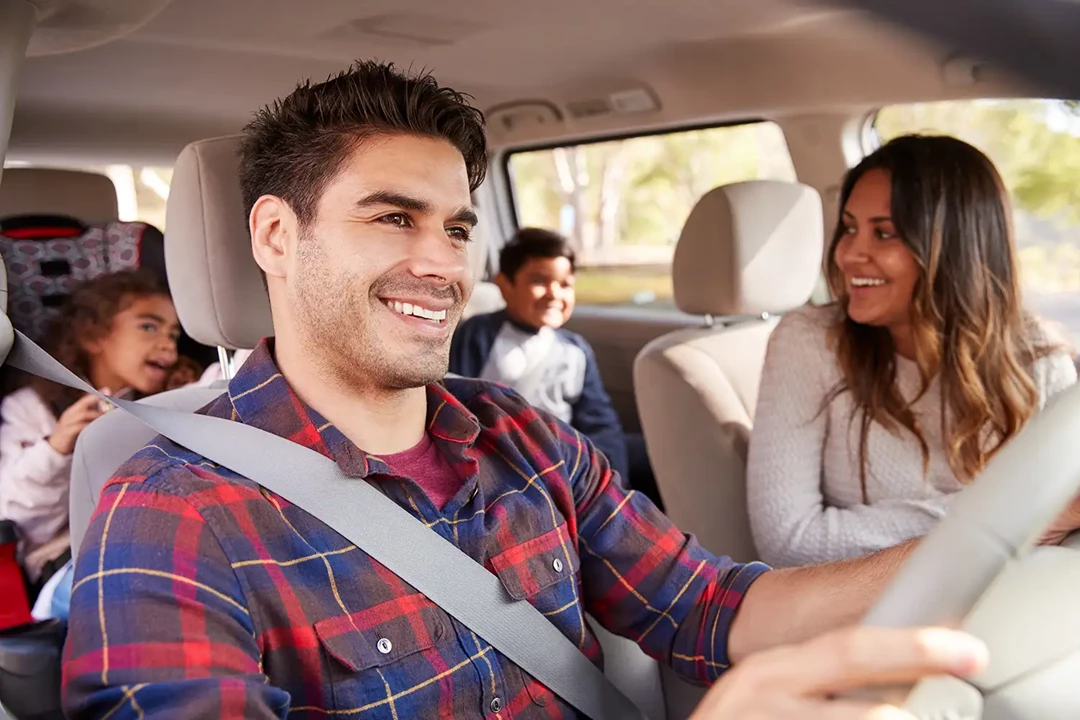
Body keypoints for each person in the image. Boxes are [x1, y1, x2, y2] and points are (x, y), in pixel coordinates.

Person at [60, 63, 1080, 720]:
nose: (442, 264)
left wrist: (991, 533)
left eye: (458, 227)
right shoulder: (171, 519)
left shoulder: (523, 439)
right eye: (392, 217)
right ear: (277, 237)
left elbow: (717, 606)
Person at [747, 135, 1078, 569]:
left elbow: (1066, 524)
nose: (848, 254)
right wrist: (1004, 518)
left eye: (883, 233)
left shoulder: (1039, 362)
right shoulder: (811, 341)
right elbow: (789, 541)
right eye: (849, 228)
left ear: (956, 250)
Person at [0, 270, 180, 588]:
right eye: (149, 327)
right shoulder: (33, 408)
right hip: (66, 563)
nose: (167, 344)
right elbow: (17, 519)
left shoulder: (173, 406)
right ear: (93, 336)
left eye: (174, 335)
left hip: (156, 544)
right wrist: (56, 448)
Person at [450, 227, 629, 478]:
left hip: (565, 460)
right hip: (503, 458)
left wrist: (611, 477)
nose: (554, 293)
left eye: (565, 284)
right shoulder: (480, 333)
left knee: (654, 449)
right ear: (505, 285)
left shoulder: (576, 349)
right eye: (539, 281)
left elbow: (600, 422)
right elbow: (456, 404)